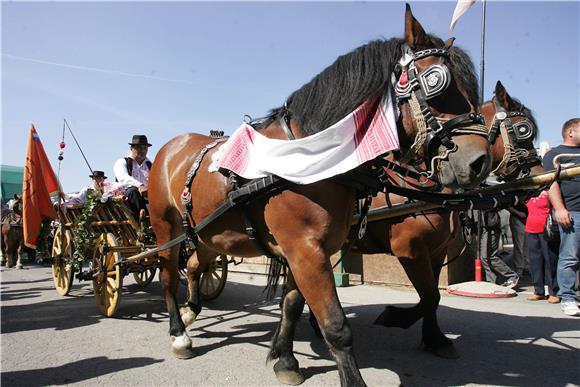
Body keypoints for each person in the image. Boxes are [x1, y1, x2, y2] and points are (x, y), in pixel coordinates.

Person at [543, 118, 580, 316]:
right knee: (569, 256)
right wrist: (559, 209)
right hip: (573, 212)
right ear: (570, 132)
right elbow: (550, 182)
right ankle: (568, 297)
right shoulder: (556, 155)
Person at [525, 190, 559, 303]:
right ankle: (538, 291)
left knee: (550, 261)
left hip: (546, 231)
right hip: (531, 229)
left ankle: (554, 291)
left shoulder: (549, 192)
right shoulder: (529, 193)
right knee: (535, 261)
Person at [113, 134, 152, 218]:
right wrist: (140, 186)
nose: (142, 150)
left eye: (145, 148)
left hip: (149, 198)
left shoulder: (151, 165)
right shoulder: (122, 162)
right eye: (139, 148)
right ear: (131, 148)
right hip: (127, 200)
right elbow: (123, 178)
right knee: (133, 191)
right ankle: (144, 222)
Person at [479, 208, 520, 288]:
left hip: (490, 228)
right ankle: (491, 282)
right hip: (485, 228)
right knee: (485, 258)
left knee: (489, 256)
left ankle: (512, 276)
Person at [508, 202, 529, 277]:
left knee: (526, 245)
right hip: (517, 218)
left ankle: (526, 267)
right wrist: (518, 213)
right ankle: (519, 268)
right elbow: (507, 205)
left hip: (527, 219)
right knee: (519, 245)